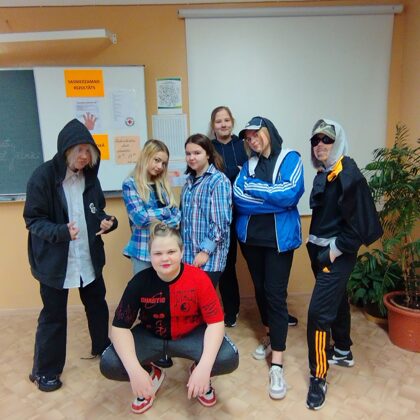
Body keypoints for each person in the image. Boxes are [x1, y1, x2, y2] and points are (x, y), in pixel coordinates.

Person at [100, 223, 239, 414]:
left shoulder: (199, 279)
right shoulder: (139, 282)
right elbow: (119, 327)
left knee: (227, 357)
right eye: (158, 253)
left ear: (181, 252)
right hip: (151, 336)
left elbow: (215, 323)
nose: (165, 258)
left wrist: (205, 367)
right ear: (150, 255)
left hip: (190, 335)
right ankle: (151, 373)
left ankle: (198, 373)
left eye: (171, 251)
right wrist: (134, 370)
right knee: (110, 363)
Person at [23, 118, 118, 392]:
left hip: (88, 257)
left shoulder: (90, 178)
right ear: (66, 149)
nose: (84, 156)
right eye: (79, 150)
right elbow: (33, 220)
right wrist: (61, 232)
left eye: (89, 151)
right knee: (53, 316)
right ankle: (45, 371)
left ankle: (102, 346)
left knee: (97, 304)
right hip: (55, 263)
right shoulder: (42, 177)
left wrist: (108, 221)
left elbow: (97, 210)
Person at [305, 119, 382, 410]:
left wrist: (333, 252)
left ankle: (318, 376)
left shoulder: (350, 175)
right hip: (319, 251)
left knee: (317, 313)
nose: (320, 144)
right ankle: (342, 350)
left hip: (334, 255)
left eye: (326, 139)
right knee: (336, 301)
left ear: (338, 141)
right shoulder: (326, 173)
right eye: (315, 140)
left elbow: (360, 227)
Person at [233, 116, 304, 400]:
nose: (252, 141)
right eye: (248, 138)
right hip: (251, 240)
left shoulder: (290, 158)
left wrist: (255, 189)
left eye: (255, 134)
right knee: (261, 290)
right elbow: (238, 198)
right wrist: (272, 200)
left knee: (275, 295)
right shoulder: (248, 165)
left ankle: (277, 364)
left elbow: (290, 195)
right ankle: (269, 336)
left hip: (279, 241)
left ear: (268, 132)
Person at [210, 106, 248, 327]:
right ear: (213, 125)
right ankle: (231, 311)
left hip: (247, 215)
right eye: (218, 121)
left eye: (226, 120)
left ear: (232, 122)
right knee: (227, 265)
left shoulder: (244, 145)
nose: (223, 124)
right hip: (221, 216)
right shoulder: (208, 149)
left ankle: (270, 312)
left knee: (257, 265)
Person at [122, 139, 181, 275]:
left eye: (164, 163)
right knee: (144, 288)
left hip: (166, 250)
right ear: (146, 156)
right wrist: (166, 212)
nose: (160, 166)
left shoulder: (162, 184)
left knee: (166, 287)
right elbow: (140, 218)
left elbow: (177, 215)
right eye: (157, 160)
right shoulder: (130, 184)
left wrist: (162, 221)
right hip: (143, 252)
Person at [181, 133, 232, 287]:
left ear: (208, 154)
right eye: (188, 153)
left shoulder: (218, 180)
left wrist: (205, 251)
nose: (191, 157)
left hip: (208, 258)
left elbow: (221, 223)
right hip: (188, 257)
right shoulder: (188, 183)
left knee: (203, 300)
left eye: (197, 153)